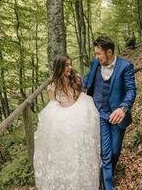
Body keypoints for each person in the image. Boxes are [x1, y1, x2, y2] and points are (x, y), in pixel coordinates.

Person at [33, 54, 101, 190]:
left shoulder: (75, 80)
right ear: (60, 67)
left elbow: (82, 95)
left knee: (81, 151)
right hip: (63, 122)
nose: (70, 67)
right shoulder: (53, 86)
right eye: (67, 65)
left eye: (70, 64)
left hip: (79, 117)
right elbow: (52, 107)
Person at [84, 36, 136, 190]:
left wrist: (123, 108)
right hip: (100, 113)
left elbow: (131, 90)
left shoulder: (125, 66)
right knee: (106, 154)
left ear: (109, 52)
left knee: (114, 152)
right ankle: (108, 185)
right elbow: (87, 80)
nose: (96, 57)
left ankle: (106, 174)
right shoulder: (95, 64)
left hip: (117, 116)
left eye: (98, 54)